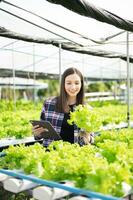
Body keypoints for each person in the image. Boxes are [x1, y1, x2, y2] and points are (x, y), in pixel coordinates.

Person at [33, 67, 94, 147]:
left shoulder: (87, 110)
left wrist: (88, 137)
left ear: (81, 84)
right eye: (69, 83)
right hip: (51, 155)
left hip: (75, 155)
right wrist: (37, 134)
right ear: (63, 84)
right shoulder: (49, 104)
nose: (73, 87)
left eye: (76, 83)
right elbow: (40, 133)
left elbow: (91, 140)